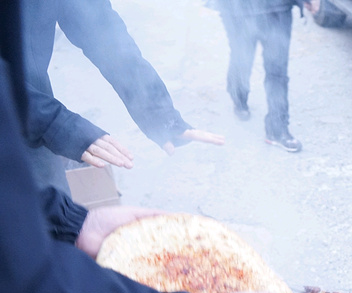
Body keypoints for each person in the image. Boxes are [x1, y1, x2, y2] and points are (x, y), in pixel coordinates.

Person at [0, 3, 278, 293]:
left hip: (16, 120)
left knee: (43, 233)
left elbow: (95, 20)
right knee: (26, 292)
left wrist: (70, 221)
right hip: (22, 118)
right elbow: (17, 284)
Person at [21, 0, 225, 194]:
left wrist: (158, 112)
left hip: (31, 128)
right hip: (33, 117)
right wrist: (57, 124)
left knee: (51, 213)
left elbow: (98, 26)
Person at [215, 0, 305, 152]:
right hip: (238, 9)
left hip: (277, 8)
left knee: (277, 68)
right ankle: (239, 97)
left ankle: (277, 128)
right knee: (241, 59)